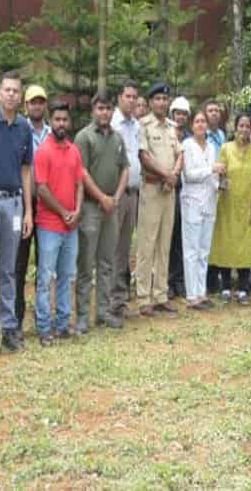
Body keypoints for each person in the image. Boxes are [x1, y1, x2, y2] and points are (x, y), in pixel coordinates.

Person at [0, 72, 34, 354]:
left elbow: (26, 170)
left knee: (9, 269)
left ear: (20, 96)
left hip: (14, 203)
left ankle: (10, 327)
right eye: (7, 90)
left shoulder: (24, 127)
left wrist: (28, 211)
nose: (11, 94)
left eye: (16, 91)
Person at [32, 101, 84, 346]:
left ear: (69, 122)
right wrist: (64, 212)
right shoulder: (43, 151)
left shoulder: (74, 151)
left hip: (71, 226)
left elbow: (79, 184)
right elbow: (41, 189)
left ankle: (63, 324)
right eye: (57, 119)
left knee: (66, 276)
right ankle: (44, 327)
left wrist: (78, 210)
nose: (61, 123)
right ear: (50, 121)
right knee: (45, 278)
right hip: (49, 225)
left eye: (65, 119)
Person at [76, 92, 129, 331]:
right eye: (100, 108)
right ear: (93, 110)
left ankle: (103, 312)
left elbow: (125, 168)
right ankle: (83, 316)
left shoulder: (118, 138)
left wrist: (115, 198)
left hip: (111, 209)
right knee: (86, 264)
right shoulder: (84, 137)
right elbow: (82, 172)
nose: (104, 112)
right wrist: (101, 198)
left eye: (108, 108)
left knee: (106, 262)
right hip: (91, 207)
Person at [137, 83, 182, 316]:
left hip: (169, 191)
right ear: (150, 102)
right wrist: (166, 175)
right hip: (152, 189)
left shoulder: (172, 127)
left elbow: (180, 154)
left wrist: (174, 174)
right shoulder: (143, 125)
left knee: (164, 244)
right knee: (147, 244)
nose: (162, 103)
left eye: (165, 99)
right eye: (157, 99)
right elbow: (144, 156)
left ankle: (161, 295)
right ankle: (144, 297)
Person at [209, 114, 251, 303]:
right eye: (241, 125)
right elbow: (220, 174)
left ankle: (242, 289)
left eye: (248, 126)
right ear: (236, 127)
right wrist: (221, 183)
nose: (244, 129)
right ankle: (225, 287)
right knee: (226, 244)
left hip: (247, 205)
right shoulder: (226, 148)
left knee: (246, 247)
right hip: (227, 205)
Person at [14, 84, 49, 333]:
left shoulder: (52, 133)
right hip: (22, 204)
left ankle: (42, 315)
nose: (37, 106)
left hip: (47, 205)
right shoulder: (18, 129)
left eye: (40, 102)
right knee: (19, 262)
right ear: (26, 106)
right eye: (32, 102)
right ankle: (16, 317)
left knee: (44, 262)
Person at [180, 110, 223, 309]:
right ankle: (191, 295)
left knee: (204, 250)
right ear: (192, 125)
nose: (200, 124)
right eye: (197, 121)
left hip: (209, 201)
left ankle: (201, 292)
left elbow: (213, 177)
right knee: (192, 250)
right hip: (192, 201)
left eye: (203, 121)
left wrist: (219, 185)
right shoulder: (186, 145)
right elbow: (189, 175)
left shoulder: (212, 147)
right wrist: (211, 169)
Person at [110, 81, 142, 320]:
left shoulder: (136, 126)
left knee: (123, 250)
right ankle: (108, 302)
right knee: (111, 249)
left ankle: (119, 301)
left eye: (134, 97)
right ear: (119, 98)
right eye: (127, 96)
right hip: (116, 195)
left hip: (133, 194)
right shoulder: (112, 124)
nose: (131, 100)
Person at [166, 96, 191, 301]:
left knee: (183, 238)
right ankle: (167, 282)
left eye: (184, 114)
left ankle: (179, 280)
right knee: (169, 235)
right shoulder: (166, 134)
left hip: (188, 193)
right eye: (177, 113)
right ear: (172, 114)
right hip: (169, 190)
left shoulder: (190, 138)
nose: (180, 117)